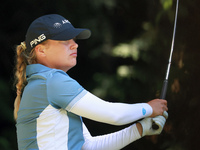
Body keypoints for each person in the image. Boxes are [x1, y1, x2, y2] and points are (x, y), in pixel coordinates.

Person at [14, 14, 168, 150]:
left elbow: (89, 146)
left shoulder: (44, 83)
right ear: (41, 50)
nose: (75, 44)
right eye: (64, 40)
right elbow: (113, 115)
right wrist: (148, 108)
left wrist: (141, 128)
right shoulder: (52, 82)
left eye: (73, 39)